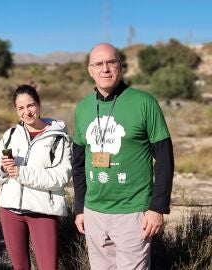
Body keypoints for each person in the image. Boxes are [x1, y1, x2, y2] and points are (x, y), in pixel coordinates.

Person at [72, 43, 174, 269]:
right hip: (94, 213)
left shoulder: (144, 103)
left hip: (133, 212)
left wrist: (158, 207)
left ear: (120, 66)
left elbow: (165, 158)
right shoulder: (82, 108)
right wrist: (80, 208)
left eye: (111, 62)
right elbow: (77, 163)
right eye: (98, 64)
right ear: (90, 70)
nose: (105, 69)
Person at [0, 85, 72, 270]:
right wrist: (3, 168)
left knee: (48, 267)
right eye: (21, 108)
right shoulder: (10, 135)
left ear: (39, 105)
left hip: (43, 211)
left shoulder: (58, 137)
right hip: (10, 211)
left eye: (31, 105)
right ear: (16, 110)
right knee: (19, 267)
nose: (27, 112)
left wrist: (20, 172)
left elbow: (61, 176)